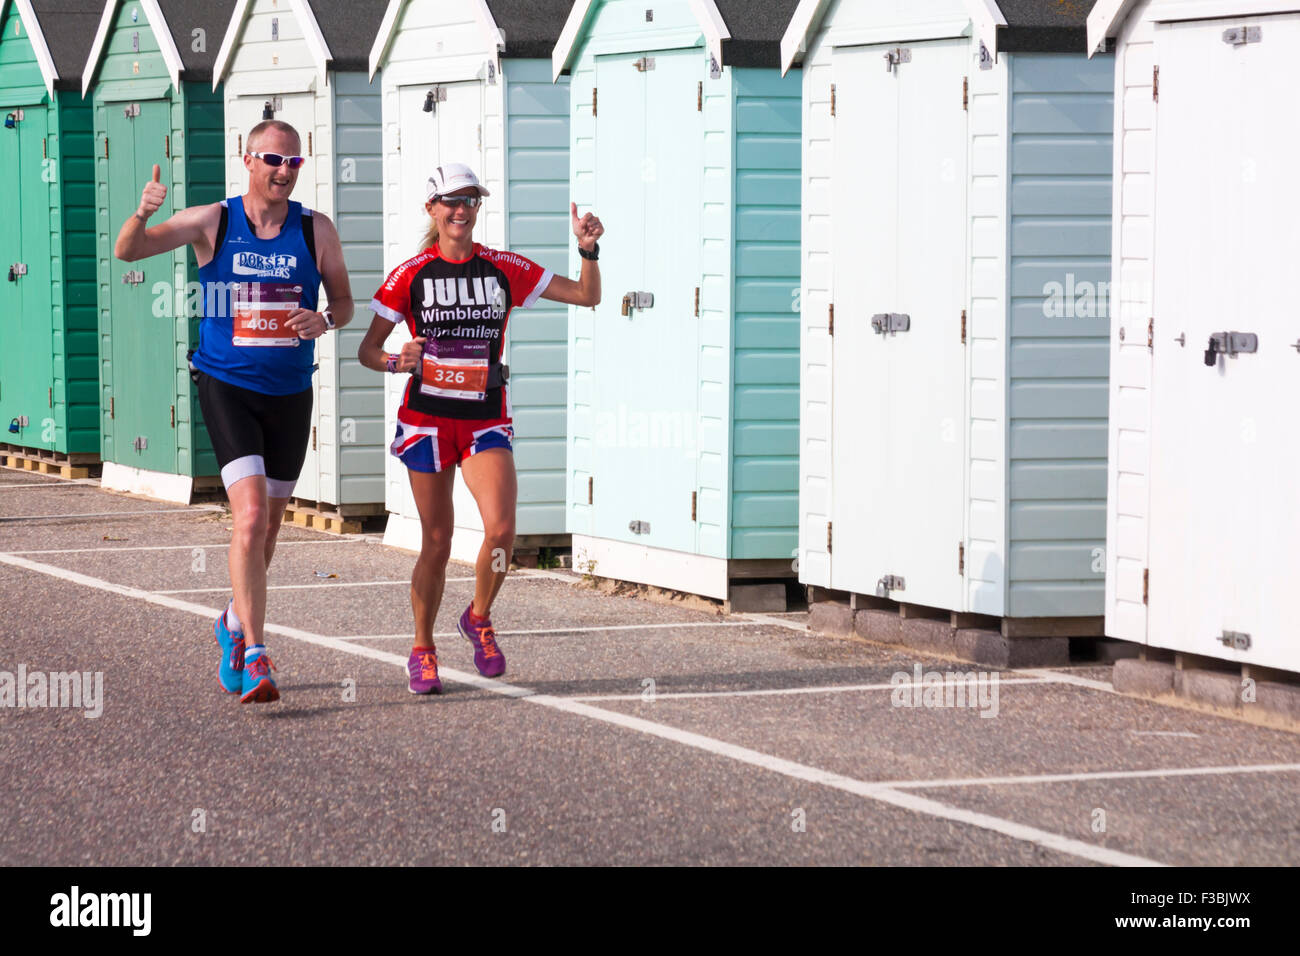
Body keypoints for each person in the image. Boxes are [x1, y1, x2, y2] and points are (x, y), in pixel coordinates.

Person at [114, 120, 354, 703]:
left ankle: (230, 619)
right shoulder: (212, 221)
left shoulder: (314, 229)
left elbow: (345, 300)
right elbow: (128, 251)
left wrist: (324, 319)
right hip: (226, 385)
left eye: (294, 162)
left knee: (268, 530)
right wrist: (142, 214)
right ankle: (256, 651)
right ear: (247, 159)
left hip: (291, 391)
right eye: (273, 159)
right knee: (247, 520)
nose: (284, 171)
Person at [359, 163, 602, 694]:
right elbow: (367, 351)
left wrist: (587, 250)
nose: (460, 209)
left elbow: (587, 297)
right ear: (432, 210)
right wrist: (398, 361)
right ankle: (422, 647)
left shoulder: (502, 268)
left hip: (484, 416)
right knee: (438, 541)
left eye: (469, 199)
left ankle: (478, 616)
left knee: (500, 530)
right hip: (427, 418)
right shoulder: (410, 274)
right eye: (450, 200)